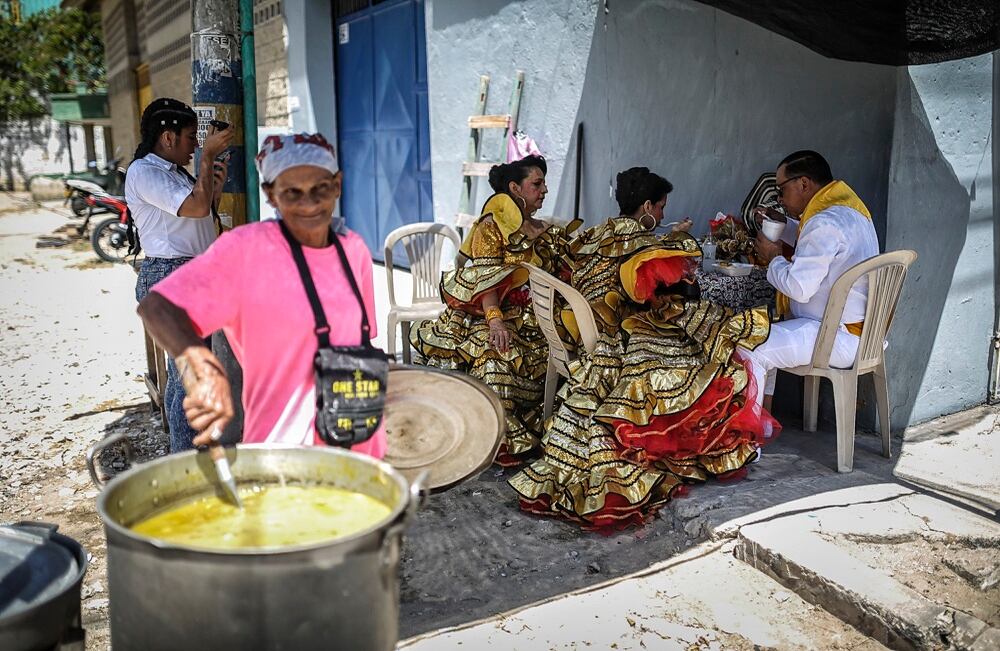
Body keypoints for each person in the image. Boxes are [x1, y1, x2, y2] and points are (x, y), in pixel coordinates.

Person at [509, 168, 775, 531]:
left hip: (581, 330)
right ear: (647, 206)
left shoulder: (598, 232)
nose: (663, 215)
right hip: (612, 333)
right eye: (661, 207)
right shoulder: (640, 243)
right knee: (711, 353)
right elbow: (658, 284)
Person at [136, 132, 385, 457]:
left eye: (321, 188)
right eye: (292, 192)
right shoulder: (245, 250)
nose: (309, 203)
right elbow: (157, 307)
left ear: (337, 185)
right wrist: (202, 366)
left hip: (359, 444)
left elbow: (359, 343)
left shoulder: (353, 249)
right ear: (270, 194)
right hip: (283, 452)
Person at [409, 155, 577, 466]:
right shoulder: (491, 226)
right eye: (537, 184)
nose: (545, 190)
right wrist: (496, 322)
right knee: (493, 355)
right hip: (490, 313)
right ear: (515, 188)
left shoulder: (547, 231)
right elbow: (485, 281)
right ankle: (494, 437)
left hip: (538, 320)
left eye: (544, 184)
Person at [126, 97, 233, 452]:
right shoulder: (145, 172)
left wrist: (214, 186)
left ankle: (181, 456)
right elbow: (196, 208)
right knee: (192, 377)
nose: (194, 146)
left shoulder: (173, 172)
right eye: (190, 138)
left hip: (188, 273)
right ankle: (188, 460)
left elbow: (201, 214)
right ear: (168, 137)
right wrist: (207, 157)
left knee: (182, 376)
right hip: (170, 275)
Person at [741, 150, 879, 413]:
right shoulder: (848, 211)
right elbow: (818, 243)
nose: (780, 199)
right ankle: (763, 424)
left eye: (781, 190)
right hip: (858, 335)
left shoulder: (823, 222)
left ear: (803, 184)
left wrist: (773, 258)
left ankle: (748, 434)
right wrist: (786, 225)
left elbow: (798, 288)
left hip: (834, 337)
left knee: (750, 343)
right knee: (763, 332)